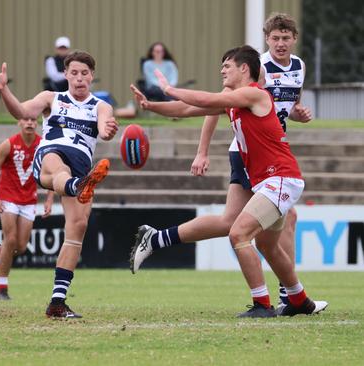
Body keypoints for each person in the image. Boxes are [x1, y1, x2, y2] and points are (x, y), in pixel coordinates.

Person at [129, 45, 327, 318]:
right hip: (270, 181)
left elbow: (206, 100)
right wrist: (151, 106)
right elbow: (188, 109)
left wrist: (169, 88)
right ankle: (298, 299)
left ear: (244, 69)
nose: (222, 70)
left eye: (227, 66)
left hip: (280, 178)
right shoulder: (233, 98)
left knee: (238, 233)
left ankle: (262, 305)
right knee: (267, 245)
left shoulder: (254, 93)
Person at [0, 50, 118, 318]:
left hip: (81, 166)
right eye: (74, 73)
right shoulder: (51, 98)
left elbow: (104, 129)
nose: (79, 78)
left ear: (92, 76)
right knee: (57, 168)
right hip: (52, 155)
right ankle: (76, 185)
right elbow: (21, 111)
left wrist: (108, 130)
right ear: (65, 74)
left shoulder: (100, 106)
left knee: (77, 230)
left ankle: (57, 302)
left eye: (84, 73)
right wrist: (3, 90)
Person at [188, 13, 312, 311]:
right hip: (249, 151)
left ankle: (289, 293)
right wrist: (202, 151)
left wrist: (298, 114)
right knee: (240, 227)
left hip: (272, 149)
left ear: (294, 39)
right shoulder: (256, 68)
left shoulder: (299, 67)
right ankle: (286, 294)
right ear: (266, 40)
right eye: (275, 38)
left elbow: (287, 106)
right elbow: (215, 106)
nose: (281, 43)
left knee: (251, 223)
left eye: (286, 38)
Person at [0, 118, 54, 300]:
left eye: (33, 119)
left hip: (29, 200)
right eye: (26, 119)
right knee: (10, 239)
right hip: (8, 198)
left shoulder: (43, 145)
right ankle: (2, 288)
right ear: (19, 123)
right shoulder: (8, 145)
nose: (30, 123)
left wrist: (49, 199)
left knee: (21, 246)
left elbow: (50, 173)